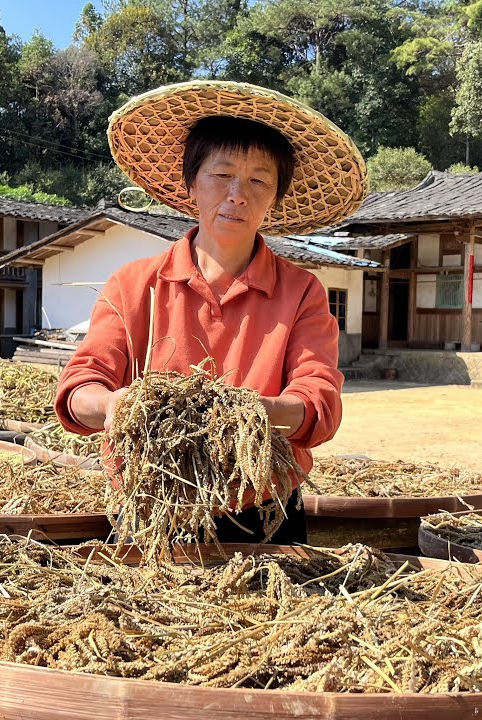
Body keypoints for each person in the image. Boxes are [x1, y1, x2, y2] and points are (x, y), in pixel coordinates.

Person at [53, 81, 369, 544]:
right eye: (221, 175)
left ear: (275, 199)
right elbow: (80, 388)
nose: (238, 194)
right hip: (150, 506)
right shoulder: (134, 284)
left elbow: (318, 403)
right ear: (190, 185)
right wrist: (116, 406)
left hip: (265, 512)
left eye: (259, 180)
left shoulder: (302, 293)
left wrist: (244, 415)